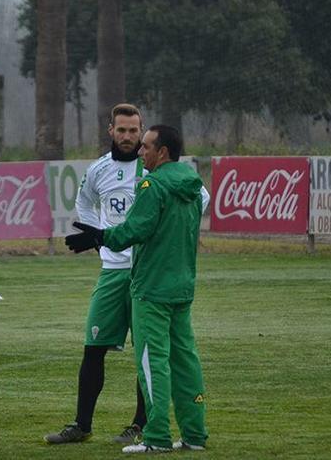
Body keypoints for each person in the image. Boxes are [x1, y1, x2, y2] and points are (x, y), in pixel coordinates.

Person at [66, 125, 209, 454]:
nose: (140, 153)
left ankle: (156, 437)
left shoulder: (152, 184)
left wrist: (100, 237)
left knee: (151, 361)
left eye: (146, 147)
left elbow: (135, 229)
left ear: (162, 152)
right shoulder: (192, 185)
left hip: (151, 289)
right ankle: (194, 434)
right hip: (182, 287)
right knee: (185, 360)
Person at [44, 104, 149, 445]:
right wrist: (97, 237)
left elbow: (197, 198)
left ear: (141, 131)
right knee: (93, 346)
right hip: (112, 270)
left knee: (146, 350)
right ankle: (81, 426)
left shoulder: (154, 168)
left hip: (146, 272)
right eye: (122, 130)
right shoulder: (99, 169)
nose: (128, 137)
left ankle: (140, 425)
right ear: (111, 131)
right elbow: (85, 201)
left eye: (134, 131)